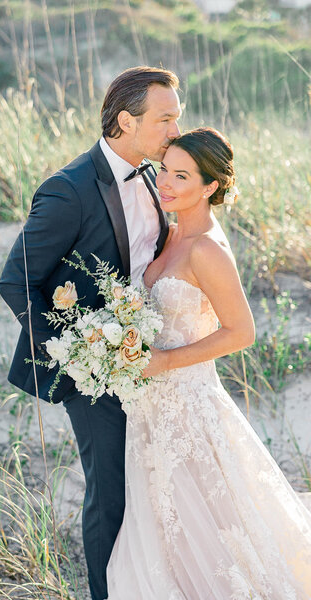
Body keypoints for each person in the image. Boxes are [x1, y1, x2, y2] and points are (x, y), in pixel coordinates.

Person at [0, 65, 182, 600]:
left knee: (153, 488)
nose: (175, 129)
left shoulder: (155, 174)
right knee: (110, 495)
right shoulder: (69, 189)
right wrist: (75, 352)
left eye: (178, 117)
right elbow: (16, 281)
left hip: (152, 359)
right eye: (165, 119)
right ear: (126, 121)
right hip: (94, 370)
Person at [105, 127, 311, 599]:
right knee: (162, 525)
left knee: (204, 528)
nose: (167, 184)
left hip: (190, 408)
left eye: (182, 176)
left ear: (211, 186)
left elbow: (242, 332)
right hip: (150, 409)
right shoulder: (171, 232)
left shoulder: (206, 249)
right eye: (164, 171)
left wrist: (167, 360)